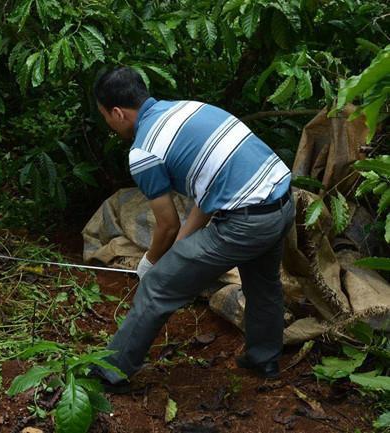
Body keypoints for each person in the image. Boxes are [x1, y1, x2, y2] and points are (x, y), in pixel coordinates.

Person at [90, 67, 296, 393]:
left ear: (117, 112)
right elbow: (206, 197)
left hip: (246, 222)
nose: (108, 124)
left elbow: (168, 223)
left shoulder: (144, 150)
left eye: (105, 116)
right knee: (263, 284)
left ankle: (110, 372)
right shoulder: (189, 108)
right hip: (282, 204)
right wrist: (176, 254)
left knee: (157, 288)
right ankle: (263, 359)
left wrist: (152, 263)